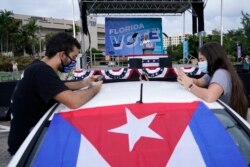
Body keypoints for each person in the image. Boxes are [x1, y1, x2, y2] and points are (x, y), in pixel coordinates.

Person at [8, 32, 103, 155]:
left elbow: (57, 86)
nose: (73, 62)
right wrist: (95, 89)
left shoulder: (37, 66)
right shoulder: (42, 71)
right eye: (73, 57)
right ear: (62, 55)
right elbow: (74, 101)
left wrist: (85, 82)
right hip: (28, 150)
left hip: (27, 142)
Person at [177, 42, 248, 119]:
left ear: (212, 57)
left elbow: (209, 96)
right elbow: (199, 82)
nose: (199, 63)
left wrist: (190, 85)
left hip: (226, 119)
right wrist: (185, 79)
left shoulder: (221, 73)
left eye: (202, 60)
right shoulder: (212, 73)